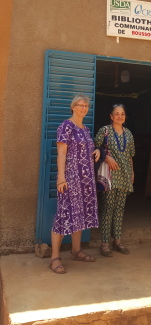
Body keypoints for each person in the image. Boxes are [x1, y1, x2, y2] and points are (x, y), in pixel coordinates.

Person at [49, 94, 100, 274]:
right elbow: (61, 153)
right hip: (70, 179)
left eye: (86, 106)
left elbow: (86, 148)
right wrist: (61, 177)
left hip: (85, 180)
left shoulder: (85, 129)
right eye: (81, 105)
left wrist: (96, 150)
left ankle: (76, 251)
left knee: (80, 215)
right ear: (73, 107)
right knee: (64, 215)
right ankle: (55, 257)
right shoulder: (66, 126)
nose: (84, 108)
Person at [95, 104, 135, 257]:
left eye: (122, 114)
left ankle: (117, 241)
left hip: (124, 176)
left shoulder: (129, 134)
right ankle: (105, 243)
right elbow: (96, 147)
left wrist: (132, 172)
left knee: (120, 209)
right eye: (116, 114)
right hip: (110, 177)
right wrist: (106, 156)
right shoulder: (104, 131)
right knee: (108, 208)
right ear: (111, 116)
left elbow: (130, 155)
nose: (120, 117)